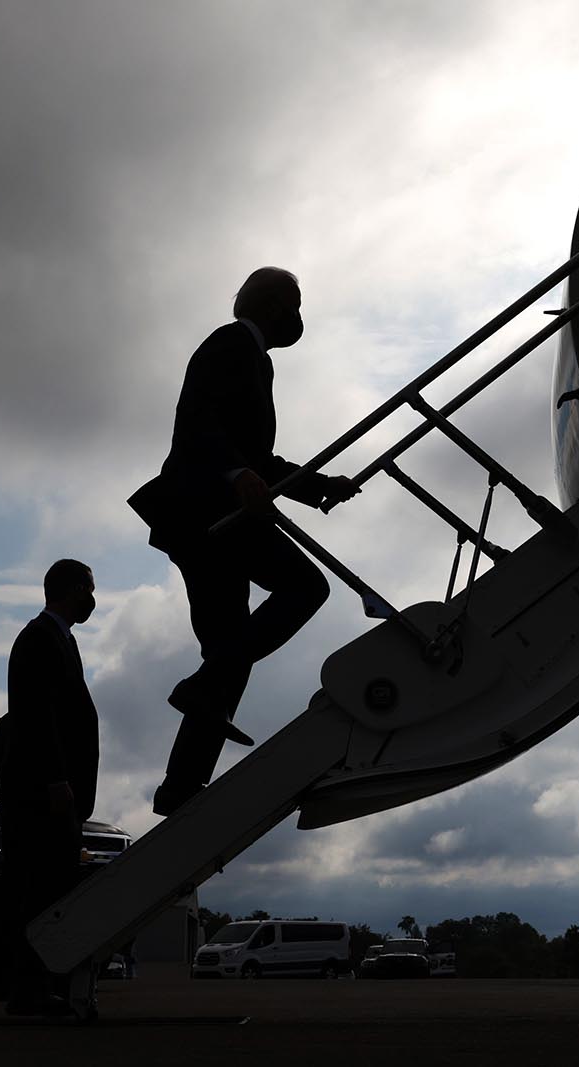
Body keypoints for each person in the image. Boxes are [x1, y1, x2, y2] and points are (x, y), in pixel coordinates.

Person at [127, 268, 358, 815]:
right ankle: (198, 705)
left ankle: (181, 787)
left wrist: (320, 487)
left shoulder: (258, 361)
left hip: (210, 517)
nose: (300, 315)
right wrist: (234, 474)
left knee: (227, 655)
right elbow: (200, 423)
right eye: (295, 302)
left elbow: (260, 458)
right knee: (305, 587)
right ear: (274, 303)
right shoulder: (230, 343)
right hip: (210, 516)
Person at [0, 559, 100, 1017]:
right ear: (73, 588)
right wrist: (57, 779)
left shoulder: (58, 639)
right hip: (42, 793)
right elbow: (37, 716)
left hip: (50, 790)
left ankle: (34, 986)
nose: (93, 599)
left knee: (45, 888)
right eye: (89, 589)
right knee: (36, 889)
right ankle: (28, 989)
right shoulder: (39, 639)